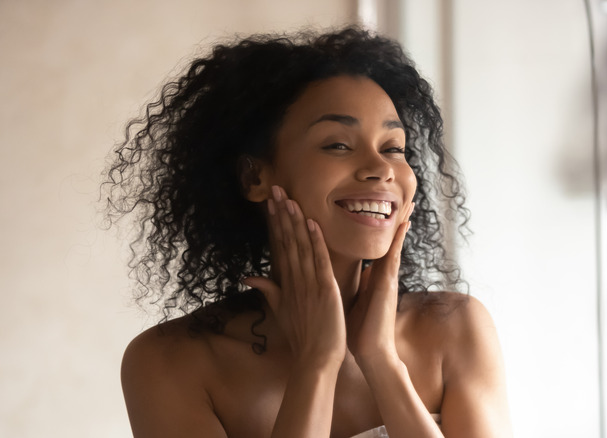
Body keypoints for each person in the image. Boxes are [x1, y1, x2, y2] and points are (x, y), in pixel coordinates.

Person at [104, 27, 512, 437]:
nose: (382, 168)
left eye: (393, 148)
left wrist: (381, 361)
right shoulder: (170, 362)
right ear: (254, 177)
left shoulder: (457, 328)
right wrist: (317, 362)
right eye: (337, 144)